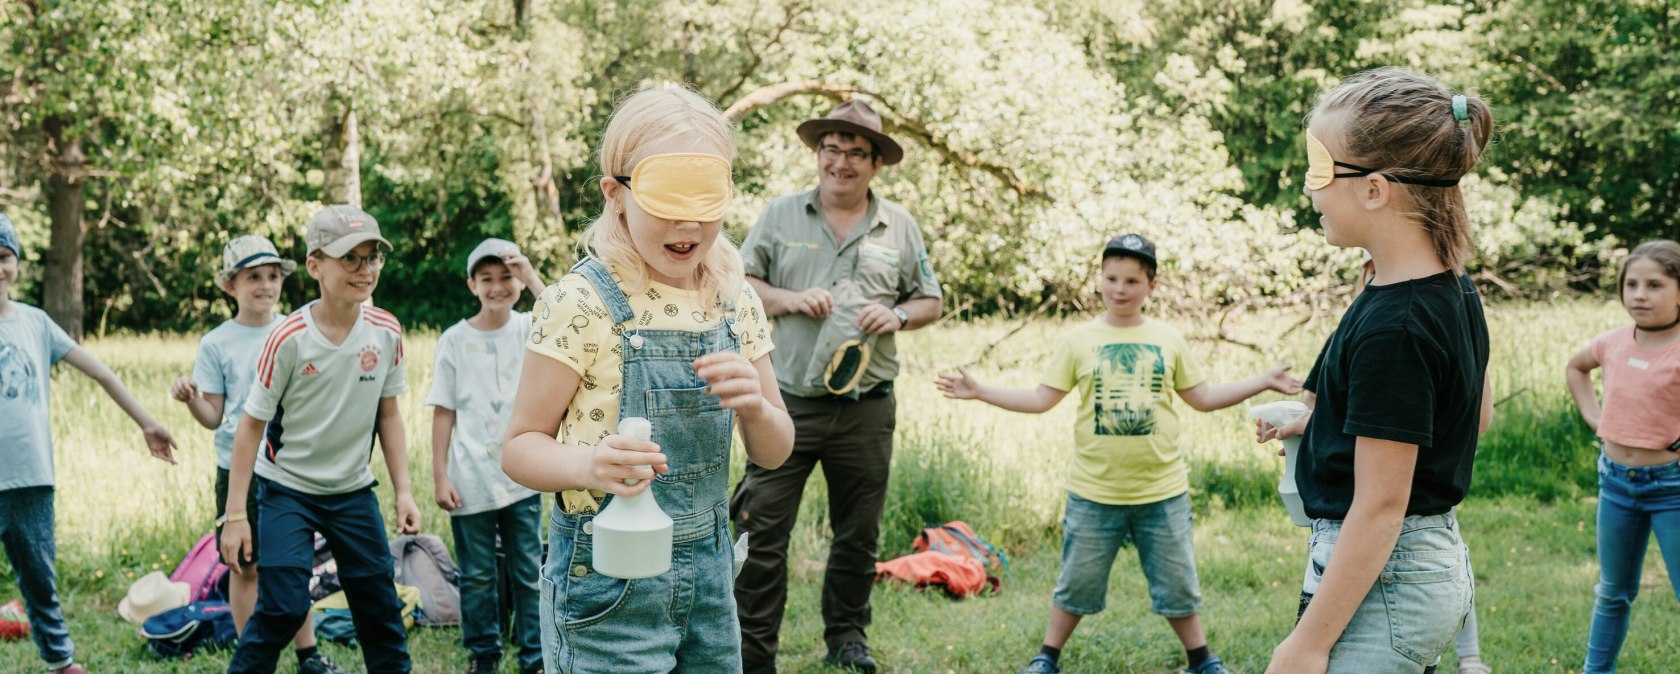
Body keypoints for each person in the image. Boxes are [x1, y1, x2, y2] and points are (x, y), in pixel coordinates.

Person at [501, 86, 794, 674]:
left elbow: (776, 450)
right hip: (605, 584)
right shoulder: (580, 304)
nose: (688, 221)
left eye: (704, 197)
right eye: (666, 197)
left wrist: (757, 410)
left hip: (711, 580)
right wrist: (588, 466)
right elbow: (518, 448)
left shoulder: (734, 301)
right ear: (616, 195)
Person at [938, 233, 1300, 674]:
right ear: (1100, 280)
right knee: (1076, 583)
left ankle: (1202, 661)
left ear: (1151, 285)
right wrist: (980, 392)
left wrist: (1262, 380)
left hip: (1162, 492)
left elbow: (1202, 397)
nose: (1120, 289)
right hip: (1093, 492)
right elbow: (1040, 399)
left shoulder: (1168, 339)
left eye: (1132, 280)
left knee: (1178, 586)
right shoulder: (1077, 341)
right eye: (1111, 278)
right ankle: (1046, 658)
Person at [1256, 67, 1493, 674]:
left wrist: (1307, 644)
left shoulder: (1398, 324)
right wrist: (1320, 422)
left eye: (1318, 171)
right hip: (1419, 563)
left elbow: (1382, 504)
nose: (1310, 192)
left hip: (1391, 575)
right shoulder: (1452, 287)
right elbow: (1471, 417)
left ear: (1374, 190)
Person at [732, 98, 942, 674]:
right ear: (818, 153)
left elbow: (931, 298)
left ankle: (848, 638)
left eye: (856, 152)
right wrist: (790, 300)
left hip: (866, 410)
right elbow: (741, 285)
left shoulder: (899, 225)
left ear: (875, 164)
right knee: (762, 530)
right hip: (785, 403)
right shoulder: (779, 216)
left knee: (857, 535)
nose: (841, 162)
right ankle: (752, 653)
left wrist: (897, 316)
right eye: (832, 149)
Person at [219, 205, 420, 674]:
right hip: (287, 489)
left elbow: (388, 415)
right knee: (285, 605)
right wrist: (234, 516)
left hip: (352, 489)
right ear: (315, 266)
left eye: (373, 258)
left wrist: (405, 491)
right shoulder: (289, 337)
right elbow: (250, 427)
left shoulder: (386, 331)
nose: (365, 269)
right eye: (350, 259)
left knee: (379, 606)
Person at [0, 211, 177, 674]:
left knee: (40, 578)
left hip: (31, 476)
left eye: (4, 257)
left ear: (16, 262)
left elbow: (99, 371)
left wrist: (147, 423)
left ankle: (61, 662)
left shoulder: (35, 323)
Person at [169, 234, 345, 673]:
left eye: (272, 276)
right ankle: (253, 658)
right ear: (231, 286)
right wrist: (191, 399)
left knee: (289, 568)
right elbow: (213, 414)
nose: (265, 285)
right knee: (245, 566)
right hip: (239, 470)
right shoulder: (217, 343)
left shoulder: (298, 328)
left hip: (291, 468)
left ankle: (309, 656)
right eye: (253, 277)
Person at [426, 237, 546, 674]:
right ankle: (484, 652)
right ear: (472, 284)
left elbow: (559, 314)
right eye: (487, 278)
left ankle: (534, 655)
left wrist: (531, 273)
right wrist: (440, 475)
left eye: (507, 277)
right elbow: (444, 411)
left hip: (523, 473)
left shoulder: (530, 327)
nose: (498, 287)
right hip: (470, 477)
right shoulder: (455, 340)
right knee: (476, 575)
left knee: (529, 570)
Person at [1565, 239, 1680, 674]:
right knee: (1612, 592)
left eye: (1655, 285)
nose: (1639, 294)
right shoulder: (1613, 342)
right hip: (1614, 484)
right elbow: (1576, 368)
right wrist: (1596, 418)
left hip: (1671, 490)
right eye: (1631, 284)